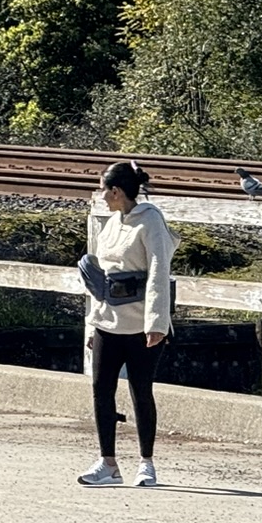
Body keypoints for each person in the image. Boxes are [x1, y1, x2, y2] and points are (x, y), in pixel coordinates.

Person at [79, 160, 176, 487]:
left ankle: (146, 464)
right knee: (100, 390)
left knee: (140, 391)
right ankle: (108, 463)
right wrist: (94, 323)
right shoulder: (111, 223)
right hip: (109, 321)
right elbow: (101, 278)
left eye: (104, 189)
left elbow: (159, 274)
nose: (102, 196)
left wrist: (157, 322)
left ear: (117, 191)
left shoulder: (151, 222)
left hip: (140, 325)